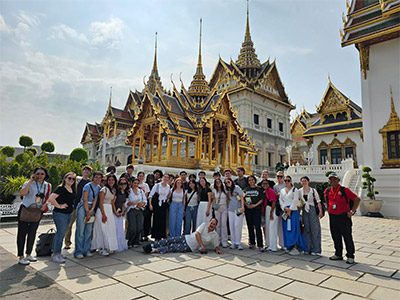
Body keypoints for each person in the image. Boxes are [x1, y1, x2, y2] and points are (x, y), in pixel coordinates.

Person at [17, 167, 51, 265]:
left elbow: (48, 198)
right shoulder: (29, 183)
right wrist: (31, 180)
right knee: (22, 234)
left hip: (37, 211)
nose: (39, 176)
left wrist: (45, 205)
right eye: (38, 173)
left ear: (45, 175)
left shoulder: (47, 185)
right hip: (26, 210)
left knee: (32, 233)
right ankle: (21, 256)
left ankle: (28, 254)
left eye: (42, 174)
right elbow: (22, 193)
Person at [326, 173, 360, 264]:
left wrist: (352, 211)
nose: (332, 180)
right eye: (330, 179)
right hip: (333, 216)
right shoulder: (327, 190)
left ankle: (350, 256)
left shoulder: (345, 190)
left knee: (347, 236)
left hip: (344, 216)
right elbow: (327, 201)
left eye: (334, 179)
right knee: (335, 236)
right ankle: (338, 254)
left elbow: (357, 199)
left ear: (338, 180)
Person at [143, 218, 223, 255]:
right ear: (209, 222)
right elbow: (197, 234)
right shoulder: (204, 225)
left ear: (216, 226)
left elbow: (216, 246)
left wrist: (217, 250)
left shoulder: (214, 235)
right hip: (186, 238)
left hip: (190, 247)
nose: (211, 225)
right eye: (211, 223)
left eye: (213, 224)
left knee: (172, 247)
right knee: (170, 240)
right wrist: (202, 245)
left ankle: (154, 250)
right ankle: (152, 245)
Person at [47, 172, 76, 263]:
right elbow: (51, 198)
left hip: (68, 214)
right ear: (65, 179)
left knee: (61, 233)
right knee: (60, 233)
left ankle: (57, 252)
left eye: (73, 179)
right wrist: (59, 206)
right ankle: (56, 253)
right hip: (60, 214)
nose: (71, 180)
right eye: (69, 178)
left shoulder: (72, 189)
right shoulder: (61, 188)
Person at [74, 171, 103, 259]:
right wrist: (87, 211)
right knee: (81, 230)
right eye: (96, 177)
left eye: (99, 178)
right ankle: (78, 250)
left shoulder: (98, 187)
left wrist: (92, 210)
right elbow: (85, 199)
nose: (98, 179)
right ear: (93, 177)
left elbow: (95, 199)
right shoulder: (87, 186)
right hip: (84, 207)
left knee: (88, 230)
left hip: (91, 208)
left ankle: (86, 249)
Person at [64, 165, 92, 250]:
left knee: (83, 226)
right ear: (82, 171)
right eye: (85, 170)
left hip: (84, 206)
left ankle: (84, 243)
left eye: (88, 171)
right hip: (75, 206)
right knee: (69, 224)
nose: (86, 172)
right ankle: (67, 242)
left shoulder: (90, 182)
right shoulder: (76, 181)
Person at [91, 174, 119, 256]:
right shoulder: (103, 190)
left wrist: (115, 212)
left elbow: (112, 202)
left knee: (109, 229)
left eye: (112, 180)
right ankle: (101, 247)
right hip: (102, 210)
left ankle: (108, 246)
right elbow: (100, 202)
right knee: (102, 229)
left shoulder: (113, 190)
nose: (111, 181)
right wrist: (103, 214)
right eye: (109, 180)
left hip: (109, 210)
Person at [279, 176, 306, 255]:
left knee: (294, 229)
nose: (286, 182)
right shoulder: (282, 190)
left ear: (291, 181)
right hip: (285, 210)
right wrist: (284, 207)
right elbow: (280, 200)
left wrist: (290, 209)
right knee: (286, 229)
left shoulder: (295, 190)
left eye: (288, 180)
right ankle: (288, 246)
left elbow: (295, 200)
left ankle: (295, 247)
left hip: (293, 210)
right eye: (285, 180)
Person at [298, 176, 323, 255]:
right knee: (306, 229)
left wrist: (320, 211)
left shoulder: (313, 190)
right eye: (302, 181)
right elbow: (298, 202)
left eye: (305, 181)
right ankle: (307, 248)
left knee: (315, 229)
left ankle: (316, 249)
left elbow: (318, 201)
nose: (304, 182)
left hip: (312, 210)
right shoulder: (299, 191)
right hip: (304, 210)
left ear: (308, 181)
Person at [243, 175, 264, 250]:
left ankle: (260, 244)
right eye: (249, 180)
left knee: (257, 227)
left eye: (252, 180)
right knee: (250, 226)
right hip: (248, 210)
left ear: (255, 180)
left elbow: (261, 199)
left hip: (256, 209)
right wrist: (246, 205)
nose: (251, 181)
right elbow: (243, 198)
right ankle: (252, 242)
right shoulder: (246, 190)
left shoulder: (259, 189)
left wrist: (254, 205)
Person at [126, 178, 147, 247]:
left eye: (137, 183)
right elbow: (126, 203)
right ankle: (130, 242)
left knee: (140, 227)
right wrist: (132, 203)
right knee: (133, 227)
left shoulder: (141, 191)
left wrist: (142, 204)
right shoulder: (129, 191)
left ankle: (136, 242)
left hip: (140, 210)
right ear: (132, 183)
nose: (136, 185)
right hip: (132, 210)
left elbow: (145, 200)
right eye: (134, 183)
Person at [148, 174, 170, 240]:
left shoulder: (168, 186)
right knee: (156, 220)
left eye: (167, 178)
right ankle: (156, 236)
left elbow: (167, 196)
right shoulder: (157, 185)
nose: (165, 178)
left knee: (163, 220)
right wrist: (150, 204)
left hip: (163, 204)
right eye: (164, 177)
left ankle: (162, 235)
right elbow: (150, 195)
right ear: (162, 177)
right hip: (157, 204)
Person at [225, 178, 245, 249]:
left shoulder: (237, 188)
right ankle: (233, 242)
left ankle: (238, 242)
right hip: (230, 209)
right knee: (232, 225)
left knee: (237, 225)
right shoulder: (228, 190)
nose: (227, 183)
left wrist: (242, 207)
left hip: (238, 209)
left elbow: (242, 198)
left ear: (231, 181)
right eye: (226, 183)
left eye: (228, 182)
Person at [112, 176, 129, 252]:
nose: (123, 185)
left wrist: (122, 212)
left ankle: (120, 245)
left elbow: (123, 203)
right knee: (115, 229)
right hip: (114, 212)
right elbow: (112, 203)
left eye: (125, 183)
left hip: (120, 213)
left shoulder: (125, 193)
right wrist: (115, 212)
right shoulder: (116, 192)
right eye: (121, 183)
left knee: (120, 229)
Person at [262, 179, 278, 252]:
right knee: (268, 227)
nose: (265, 185)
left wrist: (271, 212)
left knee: (271, 228)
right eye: (263, 184)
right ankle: (269, 244)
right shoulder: (265, 191)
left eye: (266, 184)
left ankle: (272, 246)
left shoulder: (270, 191)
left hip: (270, 209)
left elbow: (274, 201)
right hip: (267, 209)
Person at [212, 178, 229, 248]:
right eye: (216, 182)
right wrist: (213, 206)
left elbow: (228, 199)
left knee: (224, 224)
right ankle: (218, 240)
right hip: (217, 208)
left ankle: (224, 240)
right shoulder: (214, 191)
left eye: (219, 182)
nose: (218, 184)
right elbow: (213, 200)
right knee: (218, 224)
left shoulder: (225, 191)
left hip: (224, 207)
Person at [274, 171, 286, 250]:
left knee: (285, 225)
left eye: (281, 176)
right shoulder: (275, 186)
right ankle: (281, 243)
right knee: (279, 226)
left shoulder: (285, 185)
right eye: (278, 176)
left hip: (285, 207)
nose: (279, 178)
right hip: (278, 207)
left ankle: (286, 243)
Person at [142, 173, 155, 241]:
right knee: (144, 220)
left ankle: (146, 234)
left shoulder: (155, 186)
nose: (150, 179)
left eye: (152, 178)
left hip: (152, 204)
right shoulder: (145, 185)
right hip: (145, 204)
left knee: (148, 221)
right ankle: (142, 234)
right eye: (149, 178)